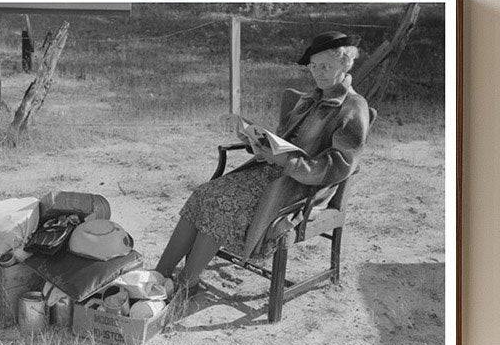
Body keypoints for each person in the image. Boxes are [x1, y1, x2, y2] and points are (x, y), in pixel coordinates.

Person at [156, 30, 376, 291]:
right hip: (270, 172)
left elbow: (338, 166)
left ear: (345, 64)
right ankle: (159, 276)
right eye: (314, 67)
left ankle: (185, 285)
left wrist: (287, 163)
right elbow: (282, 141)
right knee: (204, 194)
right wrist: (257, 142)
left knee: (223, 204)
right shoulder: (309, 99)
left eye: (326, 66)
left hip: (301, 187)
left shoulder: (353, 107)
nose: (318, 73)